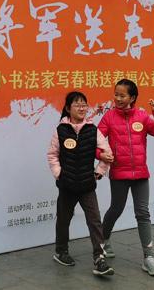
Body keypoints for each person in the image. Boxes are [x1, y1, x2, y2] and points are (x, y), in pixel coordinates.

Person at [98, 78, 154, 276]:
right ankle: (103, 241)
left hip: (140, 174)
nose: (118, 98)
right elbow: (96, 140)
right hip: (119, 174)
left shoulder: (142, 116)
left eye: (122, 95)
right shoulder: (109, 117)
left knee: (143, 213)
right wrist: (101, 155)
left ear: (132, 97)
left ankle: (149, 257)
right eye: (116, 94)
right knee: (116, 209)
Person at [47, 91, 115, 276]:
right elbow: (52, 155)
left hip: (87, 186)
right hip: (67, 185)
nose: (82, 108)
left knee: (95, 221)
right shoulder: (60, 130)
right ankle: (61, 252)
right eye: (77, 105)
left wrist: (99, 172)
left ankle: (99, 259)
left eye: (84, 105)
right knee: (63, 220)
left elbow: (107, 152)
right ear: (68, 108)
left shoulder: (93, 130)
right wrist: (59, 174)